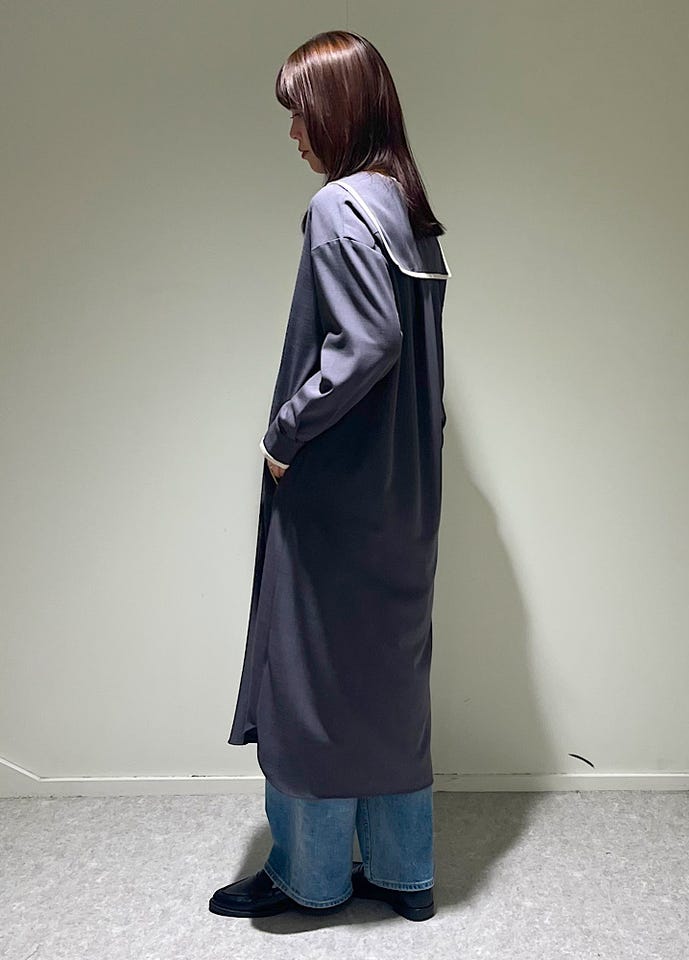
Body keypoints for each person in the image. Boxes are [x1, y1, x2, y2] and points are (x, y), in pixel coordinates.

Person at [209, 29, 451, 922]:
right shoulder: (406, 209)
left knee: (307, 685)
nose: (293, 134)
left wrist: (284, 434)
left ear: (340, 111)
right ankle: (403, 874)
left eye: (300, 114)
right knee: (387, 682)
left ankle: (310, 879)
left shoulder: (339, 206)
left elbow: (368, 344)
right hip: (403, 496)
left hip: (337, 498)